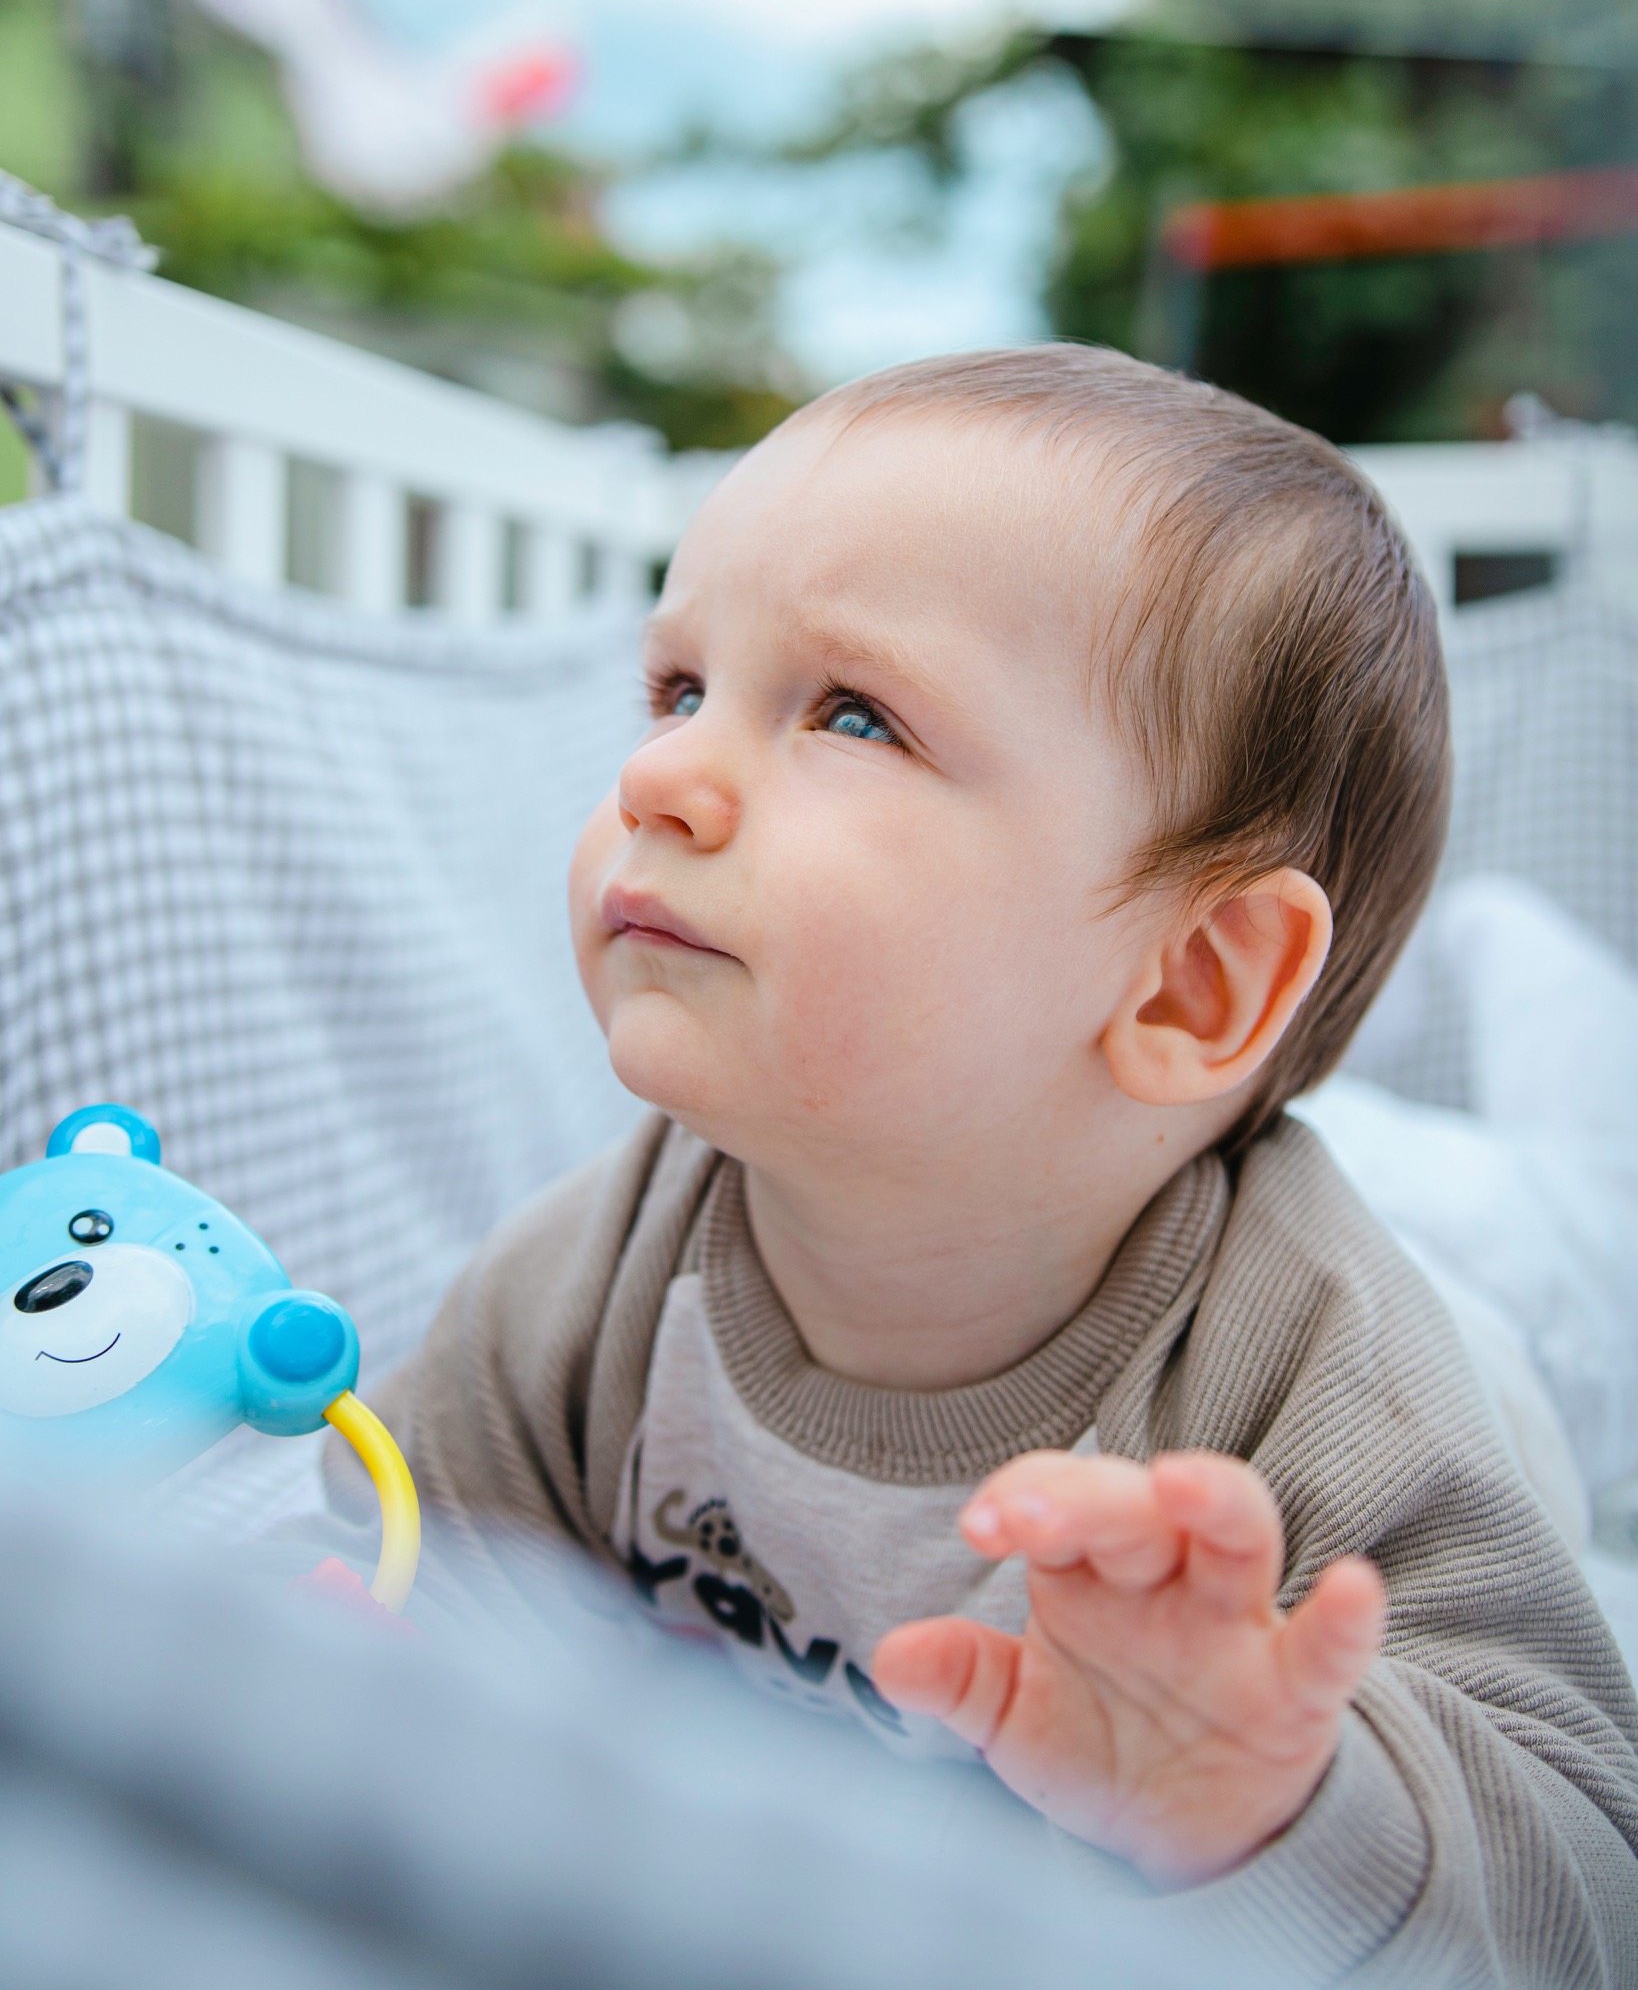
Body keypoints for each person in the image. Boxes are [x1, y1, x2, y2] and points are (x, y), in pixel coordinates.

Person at [325, 346, 1638, 1978]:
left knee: (1578, 1244)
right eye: (675, 689)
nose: (656, 778)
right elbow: (450, 1611)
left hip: (1480, 1285)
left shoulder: (1333, 1399)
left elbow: (1580, 1880)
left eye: (854, 714)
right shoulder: (585, 1283)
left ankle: (1544, 1021)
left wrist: (1280, 1808)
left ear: (1186, 981)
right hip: (1128, 1130)